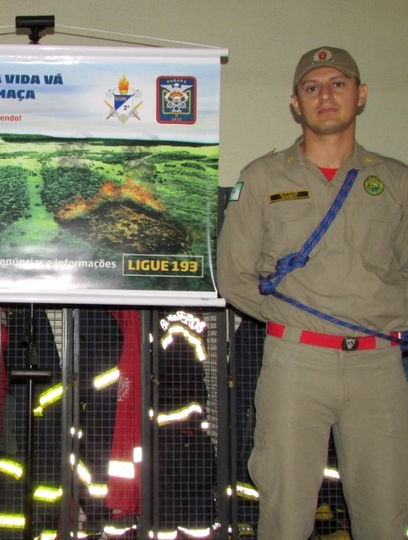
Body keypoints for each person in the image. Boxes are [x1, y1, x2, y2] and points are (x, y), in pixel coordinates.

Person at [217, 46, 408, 539]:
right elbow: (235, 275)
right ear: (296, 104)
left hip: (379, 368)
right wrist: (295, 320)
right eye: (312, 87)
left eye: (338, 84)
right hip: (296, 363)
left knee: (386, 516)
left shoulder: (395, 181)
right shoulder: (261, 177)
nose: (326, 95)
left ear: (360, 95)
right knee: (284, 515)